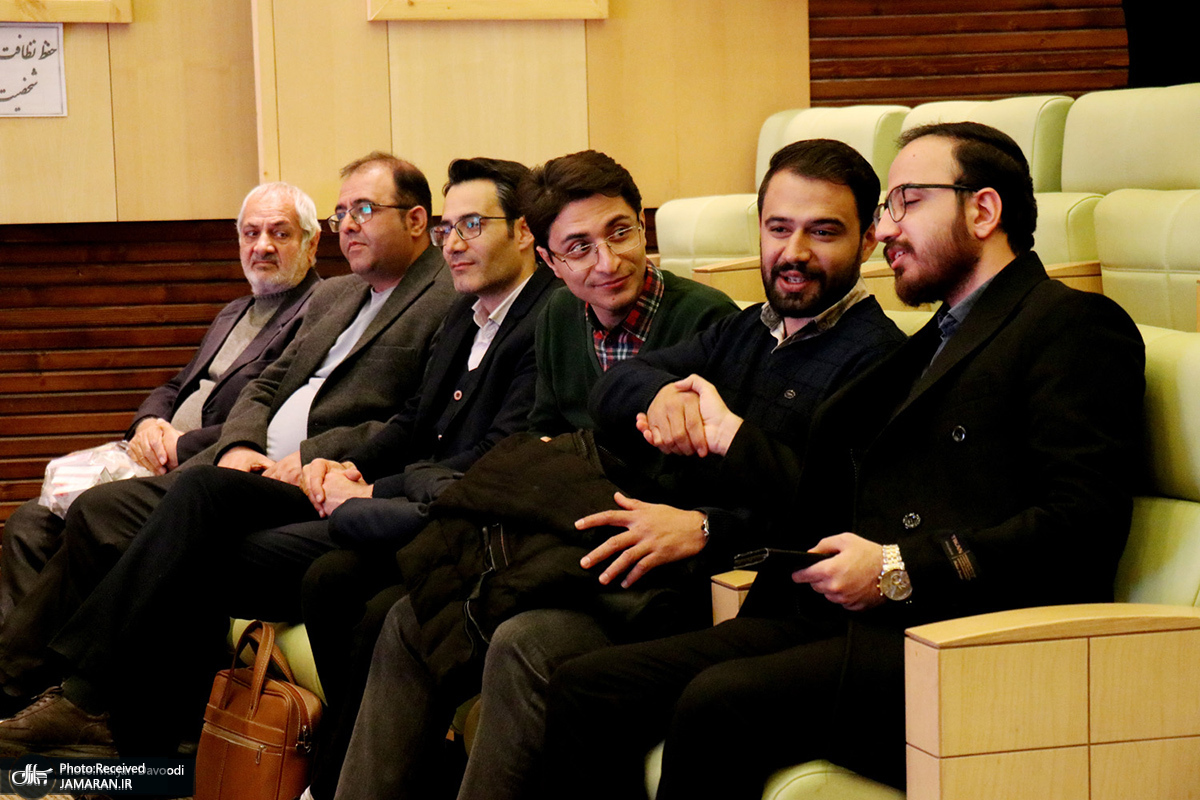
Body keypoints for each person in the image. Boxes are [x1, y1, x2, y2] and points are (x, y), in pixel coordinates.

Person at [541, 122, 1146, 799]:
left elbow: (1083, 527)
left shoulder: (1073, 325)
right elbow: (829, 489)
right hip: (848, 617)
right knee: (588, 686)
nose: (887, 230)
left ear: (982, 211)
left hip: (967, 642)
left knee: (718, 703)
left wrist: (895, 568)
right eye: (888, 208)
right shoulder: (935, 338)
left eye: (907, 202)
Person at [333, 139, 906, 800]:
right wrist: (658, 394)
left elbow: (832, 511)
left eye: (823, 232)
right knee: (412, 615)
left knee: (522, 641)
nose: (795, 251)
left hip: (709, 580)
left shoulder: (875, 361)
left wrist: (706, 516)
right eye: (779, 229)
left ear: (868, 239)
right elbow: (618, 388)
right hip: (622, 542)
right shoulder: (750, 328)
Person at [298, 149, 739, 800]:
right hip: (557, 551)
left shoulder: (707, 320)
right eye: (579, 248)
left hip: (649, 573)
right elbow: (533, 447)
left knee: (520, 642)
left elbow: (717, 479)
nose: (607, 262)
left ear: (642, 225)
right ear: (552, 261)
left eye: (620, 233)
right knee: (411, 618)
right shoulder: (560, 317)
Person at [0, 152, 458, 734]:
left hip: (318, 480)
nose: (348, 224)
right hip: (249, 467)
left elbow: (410, 419)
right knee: (100, 510)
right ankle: (85, 707)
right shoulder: (339, 295)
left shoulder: (446, 298)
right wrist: (239, 444)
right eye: (342, 212)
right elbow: (265, 384)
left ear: (416, 220)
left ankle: (84, 696)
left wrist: (306, 458)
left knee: (195, 497)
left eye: (363, 210)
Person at [0, 182, 321, 626]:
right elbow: (178, 384)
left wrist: (180, 445)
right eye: (251, 233)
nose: (262, 246)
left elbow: (279, 413)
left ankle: (32, 661)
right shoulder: (234, 311)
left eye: (279, 233)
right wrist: (149, 423)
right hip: (155, 459)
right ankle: (31, 661)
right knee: (29, 524)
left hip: (209, 471)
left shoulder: (319, 311)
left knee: (94, 517)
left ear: (311, 243)